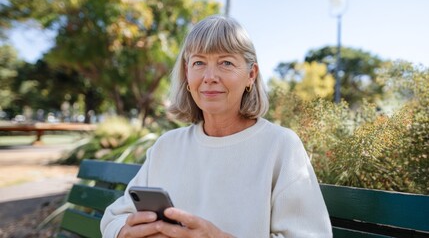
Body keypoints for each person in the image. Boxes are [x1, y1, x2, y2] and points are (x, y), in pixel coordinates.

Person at [100, 15, 332, 238]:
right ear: (187, 73)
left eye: (226, 63)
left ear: (251, 75)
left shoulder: (281, 146)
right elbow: (114, 218)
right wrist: (124, 232)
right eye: (199, 62)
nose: (210, 76)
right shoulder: (167, 146)